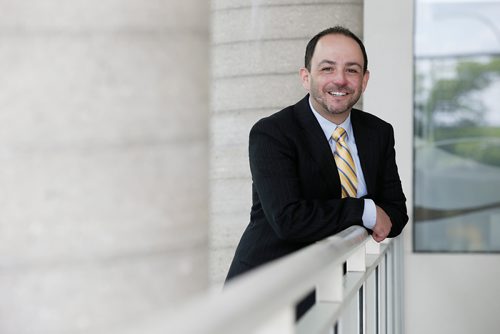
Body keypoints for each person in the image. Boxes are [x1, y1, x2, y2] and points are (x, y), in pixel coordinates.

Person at [224, 26, 408, 317]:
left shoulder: (378, 132)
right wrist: (364, 210)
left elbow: (396, 213)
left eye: (352, 70)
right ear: (305, 77)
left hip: (342, 290)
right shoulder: (272, 133)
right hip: (269, 292)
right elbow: (288, 219)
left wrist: (375, 213)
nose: (340, 79)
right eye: (327, 68)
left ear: (365, 80)